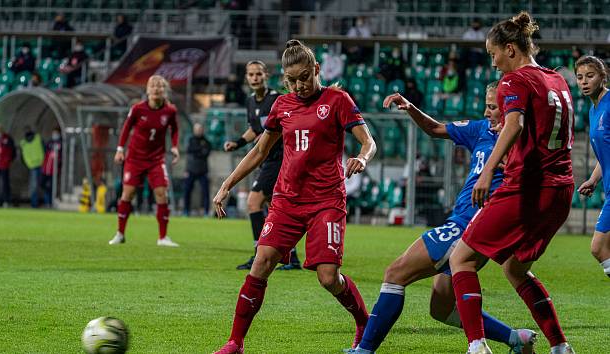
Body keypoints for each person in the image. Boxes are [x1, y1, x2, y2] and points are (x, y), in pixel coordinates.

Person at [212, 39, 377, 354]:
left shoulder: (338, 99)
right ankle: (235, 342)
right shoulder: (281, 106)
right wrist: (227, 183)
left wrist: (363, 157)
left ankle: (363, 321)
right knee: (260, 264)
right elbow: (261, 150)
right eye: (292, 80)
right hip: (287, 201)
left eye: (304, 77)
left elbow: (368, 141)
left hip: (326, 201)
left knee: (328, 278)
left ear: (316, 69)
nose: (299, 85)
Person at [348, 83, 536, 354]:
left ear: (510, 109)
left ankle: (364, 350)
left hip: (471, 224)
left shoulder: (522, 141)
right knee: (441, 309)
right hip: (462, 220)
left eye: (493, 107)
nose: (487, 112)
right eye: (486, 105)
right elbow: (436, 129)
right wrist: (411, 108)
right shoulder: (480, 130)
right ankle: (517, 338)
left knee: (395, 273)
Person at [449, 12, 576, 354]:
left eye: (493, 55)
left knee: (460, 258)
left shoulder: (514, 81)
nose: (493, 64)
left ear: (510, 49)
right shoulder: (558, 80)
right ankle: (560, 346)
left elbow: (514, 124)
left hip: (528, 188)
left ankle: (477, 346)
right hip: (561, 190)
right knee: (516, 268)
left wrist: (489, 169)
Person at [223, 60, 302, 271]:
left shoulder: (276, 99)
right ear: (247, 78)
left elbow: (283, 127)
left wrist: (265, 138)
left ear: (266, 75)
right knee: (274, 208)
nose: (255, 78)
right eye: (251, 74)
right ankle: (291, 257)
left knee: (253, 202)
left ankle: (259, 253)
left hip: (280, 159)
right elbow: (254, 129)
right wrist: (238, 143)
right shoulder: (250, 101)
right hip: (266, 160)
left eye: (258, 74)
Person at [109, 75, 180, 247]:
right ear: (147, 90)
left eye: (159, 86)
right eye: (152, 85)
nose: (156, 89)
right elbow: (126, 128)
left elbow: (175, 129)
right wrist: (120, 149)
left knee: (162, 194)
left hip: (156, 159)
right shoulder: (137, 109)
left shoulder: (170, 111)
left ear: (164, 90)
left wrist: (175, 147)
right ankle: (120, 233)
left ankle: (163, 237)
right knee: (128, 194)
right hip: (135, 158)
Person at [575, 55, 610, 278]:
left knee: (598, 247)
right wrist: (593, 179)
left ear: (602, 76)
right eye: (579, 77)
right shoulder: (592, 109)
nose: (584, 81)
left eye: (590, 76)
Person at [184, 122, 211, 217]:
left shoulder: (206, 142)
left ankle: (206, 212)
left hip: (203, 170)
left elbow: (205, 153)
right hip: (191, 170)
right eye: (196, 129)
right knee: (187, 191)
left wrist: (197, 151)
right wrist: (200, 150)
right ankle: (186, 211)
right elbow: (191, 151)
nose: (198, 131)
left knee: (205, 192)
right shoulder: (191, 140)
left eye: (200, 129)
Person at [20, 126, 44, 208]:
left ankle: (40, 202)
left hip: (40, 165)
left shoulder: (37, 138)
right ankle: (35, 203)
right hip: (33, 166)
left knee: (39, 184)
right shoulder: (23, 142)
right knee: (35, 185)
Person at [41, 127, 62, 207]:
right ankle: (49, 199)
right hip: (46, 168)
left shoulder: (61, 143)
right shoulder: (49, 142)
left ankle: (50, 202)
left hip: (54, 169)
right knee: (43, 183)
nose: (54, 135)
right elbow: (45, 153)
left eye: (56, 133)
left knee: (53, 186)